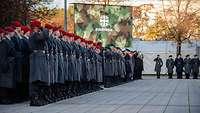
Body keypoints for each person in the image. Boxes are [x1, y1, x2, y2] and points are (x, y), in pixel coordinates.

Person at [0, 26, 16, 104]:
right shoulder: (4, 42)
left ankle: (8, 97)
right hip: (6, 63)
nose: (14, 33)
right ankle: (4, 98)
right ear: (9, 33)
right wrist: (4, 65)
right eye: (12, 32)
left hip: (10, 63)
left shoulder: (10, 40)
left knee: (8, 82)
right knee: (4, 82)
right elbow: (3, 55)